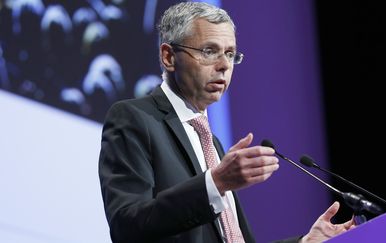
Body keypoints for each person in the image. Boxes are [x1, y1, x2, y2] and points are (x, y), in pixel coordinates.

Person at [98, 2, 355, 243]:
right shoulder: (134, 118)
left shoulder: (213, 143)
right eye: (209, 51)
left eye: (230, 54)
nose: (223, 65)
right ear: (168, 57)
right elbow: (126, 225)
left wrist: (306, 241)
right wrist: (216, 183)